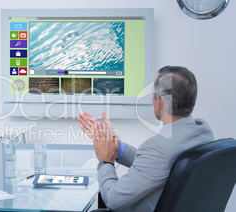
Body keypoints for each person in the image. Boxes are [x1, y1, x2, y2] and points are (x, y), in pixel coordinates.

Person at [78, 66, 214, 212]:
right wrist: (114, 146)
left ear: (159, 101)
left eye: (152, 95)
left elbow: (112, 199)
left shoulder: (158, 148)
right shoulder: (202, 130)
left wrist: (105, 161)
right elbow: (156, 165)